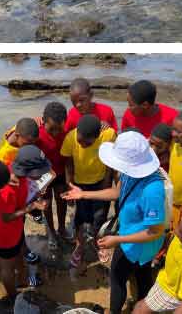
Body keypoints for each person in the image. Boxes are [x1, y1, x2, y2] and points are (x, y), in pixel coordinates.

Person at [63, 131, 167, 314]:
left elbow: (155, 231)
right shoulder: (131, 173)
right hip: (130, 237)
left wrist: (117, 240)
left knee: (118, 277)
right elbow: (118, 193)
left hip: (137, 245)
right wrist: (84, 194)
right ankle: (142, 304)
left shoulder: (153, 190)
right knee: (142, 275)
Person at [0, 145, 50, 298]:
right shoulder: (8, 189)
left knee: (20, 252)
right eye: (38, 173)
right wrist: (32, 207)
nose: (41, 175)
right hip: (3, 234)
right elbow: (6, 218)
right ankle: (13, 297)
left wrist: (35, 193)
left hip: (15, 228)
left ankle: (23, 279)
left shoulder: (14, 170)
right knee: (7, 267)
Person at [61, 115, 116, 270]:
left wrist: (107, 182)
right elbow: (68, 163)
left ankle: (99, 244)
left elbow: (110, 162)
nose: (83, 144)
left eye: (88, 142)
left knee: (99, 217)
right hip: (79, 185)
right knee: (81, 217)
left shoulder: (108, 135)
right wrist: (69, 184)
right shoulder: (70, 138)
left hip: (100, 182)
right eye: (80, 141)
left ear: (97, 136)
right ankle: (79, 246)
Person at [36, 102, 72, 250]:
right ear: (43, 121)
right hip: (43, 175)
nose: (56, 132)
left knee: (62, 200)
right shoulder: (36, 134)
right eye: (52, 129)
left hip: (60, 173)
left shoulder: (67, 132)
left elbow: (69, 158)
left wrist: (70, 181)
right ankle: (51, 231)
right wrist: (38, 185)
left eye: (59, 128)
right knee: (46, 204)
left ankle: (62, 228)